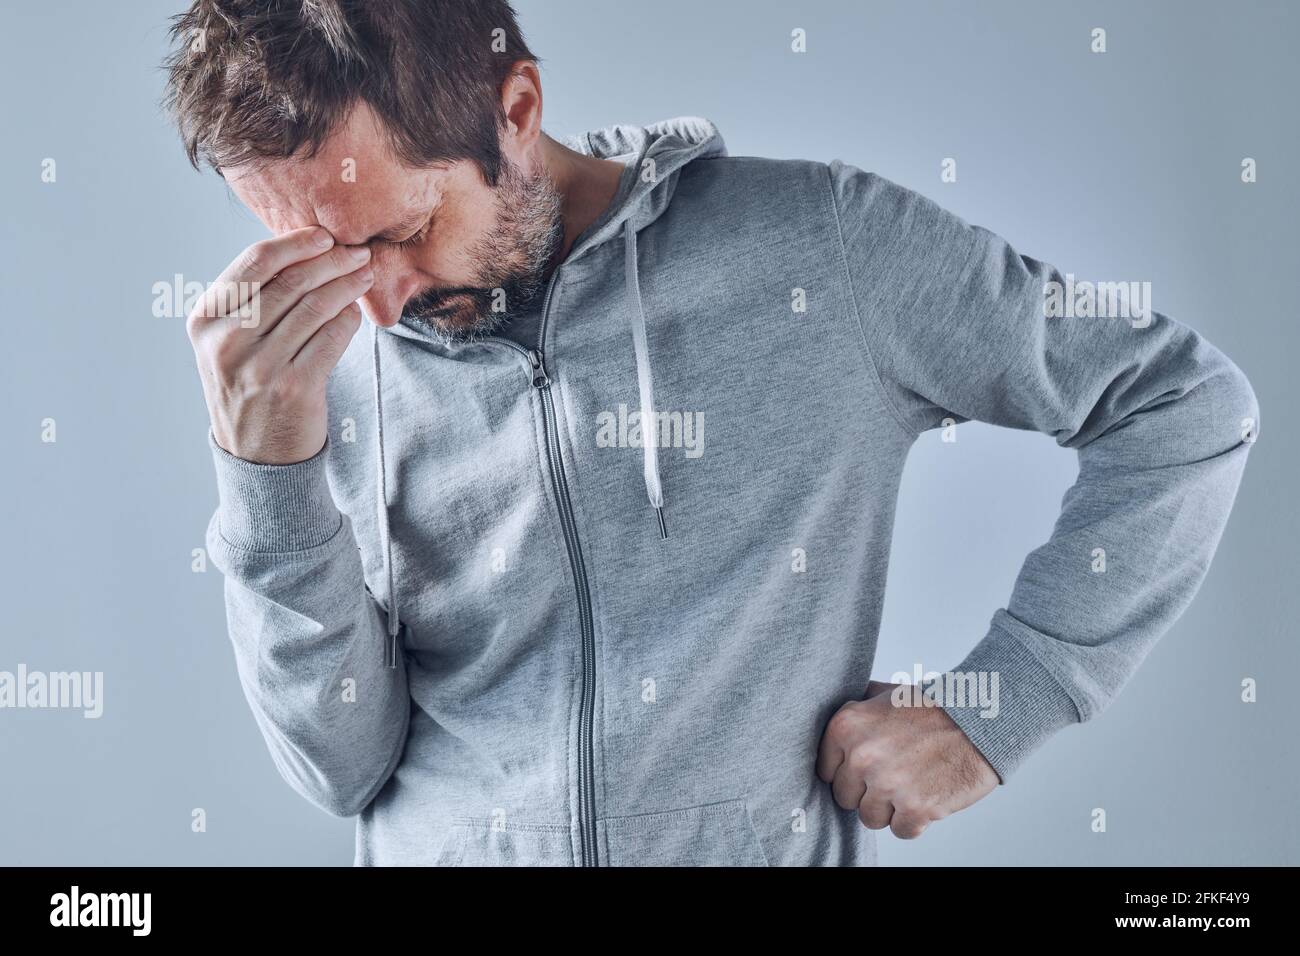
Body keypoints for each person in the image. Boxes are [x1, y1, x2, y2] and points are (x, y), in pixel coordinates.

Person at [165, 0, 1258, 866]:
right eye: (322, 261)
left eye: (402, 235)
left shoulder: (823, 249)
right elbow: (343, 770)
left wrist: (1003, 702)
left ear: (516, 107)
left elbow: (1182, 403)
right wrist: (269, 479)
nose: (378, 307)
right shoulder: (303, 369)